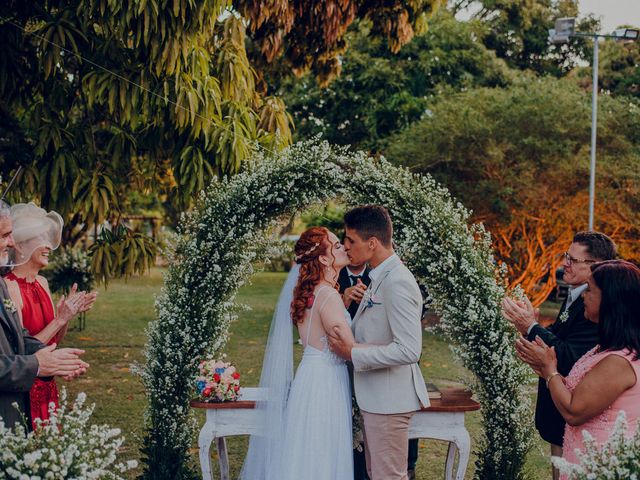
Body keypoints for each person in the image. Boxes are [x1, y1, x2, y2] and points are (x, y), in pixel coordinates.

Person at [241, 227, 355, 479]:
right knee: (322, 451)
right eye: (337, 246)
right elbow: (349, 346)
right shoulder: (328, 295)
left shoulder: (310, 292)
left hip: (309, 377)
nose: (344, 248)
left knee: (305, 448)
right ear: (324, 259)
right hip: (327, 381)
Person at [502, 231, 616, 480]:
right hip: (558, 417)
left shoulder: (597, 305)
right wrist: (533, 325)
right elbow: (560, 335)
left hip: (574, 415)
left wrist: (531, 328)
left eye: (573, 260)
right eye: (567, 256)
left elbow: (571, 356)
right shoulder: (575, 293)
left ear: (595, 266)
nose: (565, 263)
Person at [329, 205, 429, 480]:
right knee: (377, 474)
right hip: (376, 399)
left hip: (389, 402)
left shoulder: (397, 281)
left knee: (389, 476)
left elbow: (409, 349)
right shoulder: (379, 276)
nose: (346, 247)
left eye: (351, 240)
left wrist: (352, 353)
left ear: (372, 243)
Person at [516, 260, 640, 478]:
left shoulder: (619, 361)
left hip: (601, 466)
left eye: (590, 290)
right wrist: (545, 369)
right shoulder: (604, 348)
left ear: (611, 301)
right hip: (581, 457)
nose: (583, 296)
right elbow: (581, 392)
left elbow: (574, 411)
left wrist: (549, 369)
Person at [4, 203, 96, 428]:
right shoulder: (9, 287)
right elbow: (20, 348)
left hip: (47, 381)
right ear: (22, 245)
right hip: (25, 385)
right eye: (40, 239)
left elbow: (52, 342)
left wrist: (67, 316)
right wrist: (60, 319)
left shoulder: (43, 283)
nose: (48, 247)